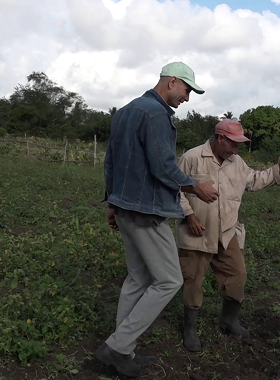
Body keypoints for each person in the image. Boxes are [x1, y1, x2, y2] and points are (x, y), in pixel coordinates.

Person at [97, 61, 219, 378]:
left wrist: (111, 201)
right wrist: (195, 186)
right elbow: (163, 166)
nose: (188, 98)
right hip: (145, 210)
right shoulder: (155, 115)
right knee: (169, 280)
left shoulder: (125, 111)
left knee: (137, 279)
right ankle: (118, 347)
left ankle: (122, 353)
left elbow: (110, 160)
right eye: (187, 90)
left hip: (124, 206)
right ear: (172, 82)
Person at [177, 119, 280, 351]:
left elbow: (253, 180)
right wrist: (190, 215)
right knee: (193, 280)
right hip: (197, 231)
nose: (236, 150)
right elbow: (174, 189)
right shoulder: (192, 157)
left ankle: (229, 320)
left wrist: (277, 168)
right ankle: (189, 329)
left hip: (227, 232)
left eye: (239, 145)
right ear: (220, 139)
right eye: (233, 144)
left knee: (237, 276)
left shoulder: (236, 162)